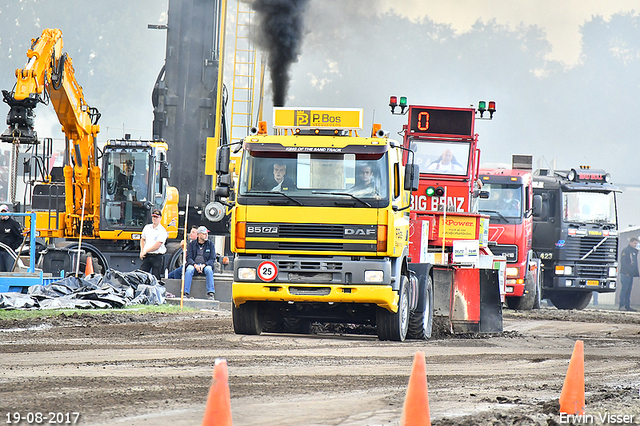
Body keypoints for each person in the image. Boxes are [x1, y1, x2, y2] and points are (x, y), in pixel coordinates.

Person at [184, 225, 216, 300]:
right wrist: (195, 265)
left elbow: (212, 259)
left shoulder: (211, 244)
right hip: (194, 265)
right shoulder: (191, 244)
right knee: (189, 269)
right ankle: (185, 292)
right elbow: (189, 258)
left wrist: (204, 265)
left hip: (205, 265)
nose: (206, 235)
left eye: (206, 234)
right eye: (204, 234)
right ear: (198, 235)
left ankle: (211, 293)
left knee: (209, 269)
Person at [140, 209, 168, 280]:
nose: (154, 219)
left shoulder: (162, 231)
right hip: (147, 256)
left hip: (157, 257)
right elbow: (142, 239)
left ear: (160, 218)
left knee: (155, 278)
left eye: (156, 217)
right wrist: (142, 251)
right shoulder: (147, 227)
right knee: (141, 276)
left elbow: (158, 245)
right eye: (153, 217)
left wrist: (145, 251)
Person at [0, 204, 23, 272]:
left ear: (8, 212)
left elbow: (20, 238)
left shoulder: (14, 224)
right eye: (2, 212)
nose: (3, 214)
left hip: (9, 252)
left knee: (9, 271)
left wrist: (13, 247)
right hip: (0, 251)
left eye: (5, 212)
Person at [619, 236, 638, 312]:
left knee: (629, 290)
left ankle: (627, 306)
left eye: (637, 243)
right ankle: (622, 305)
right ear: (630, 242)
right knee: (624, 289)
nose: (635, 245)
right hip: (625, 274)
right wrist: (626, 272)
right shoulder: (626, 251)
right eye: (634, 243)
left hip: (631, 274)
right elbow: (623, 262)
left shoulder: (634, 251)